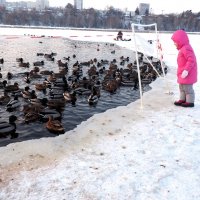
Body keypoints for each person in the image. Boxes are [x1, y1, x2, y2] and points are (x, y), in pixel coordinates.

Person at [171, 29, 197, 107]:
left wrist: (186, 70)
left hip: (187, 73)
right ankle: (183, 99)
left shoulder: (186, 48)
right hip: (182, 73)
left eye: (175, 42)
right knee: (182, 87)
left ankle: (190, 101)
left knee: (188, 88)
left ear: (180, 41)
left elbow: (191, 60)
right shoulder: (183, 48)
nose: (174, 44)